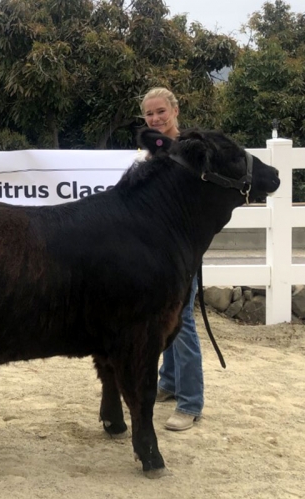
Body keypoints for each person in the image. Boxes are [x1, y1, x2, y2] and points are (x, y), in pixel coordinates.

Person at [140, 87, 204, 431]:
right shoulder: (153, 151)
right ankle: (170, 381)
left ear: (175, 110)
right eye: (149, 114)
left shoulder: (190, 150)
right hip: (157, 251)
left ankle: (191, 402)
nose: (155, 119)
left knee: (183, 321)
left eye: (160, 111)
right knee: (163, 318)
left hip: (181, 251)